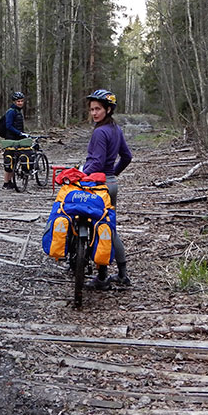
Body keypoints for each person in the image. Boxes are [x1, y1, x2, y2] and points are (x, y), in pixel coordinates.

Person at [82, 89, 132, 289]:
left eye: (98, 109)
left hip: (98, 184)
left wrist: (82, 176)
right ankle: (122, 273)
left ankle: (102, 276)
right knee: (109, 228)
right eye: (92, 109)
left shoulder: (100, 132)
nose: (94, 113)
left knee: (95, 227)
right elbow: (127, 156)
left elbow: (97, 162)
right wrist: (114, 175)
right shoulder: (116, 129)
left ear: (108, 109)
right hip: (111, 183)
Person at [2, 91, 29, 190]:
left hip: (18, 139)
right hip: (10, 139)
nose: (20, 103)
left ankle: (11, 182)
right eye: (18, 101)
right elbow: (8, 125)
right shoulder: (11, 112)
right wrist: (19, 133)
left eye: (22, 101)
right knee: (9, 160)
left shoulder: (18, 111)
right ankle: (6, 182)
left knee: (15, 160)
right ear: (14, 102)